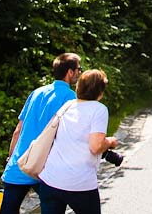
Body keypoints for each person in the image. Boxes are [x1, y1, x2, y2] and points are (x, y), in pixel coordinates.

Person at [0, 53, 80, 214]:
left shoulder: (36, 93)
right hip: (45, 167)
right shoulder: (69, 96)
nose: (79, 73)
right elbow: (68, 135)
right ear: (70, 72)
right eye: (78, 69)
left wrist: (11, 158)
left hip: (20, 162)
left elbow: (18, 130)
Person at [38, 69, 118, 214]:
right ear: (99, 91)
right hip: (79, 182)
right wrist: (110, 142)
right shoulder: (99, 109)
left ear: (79, 86)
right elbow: (96, 146)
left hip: (50, 179)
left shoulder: (67, 106)